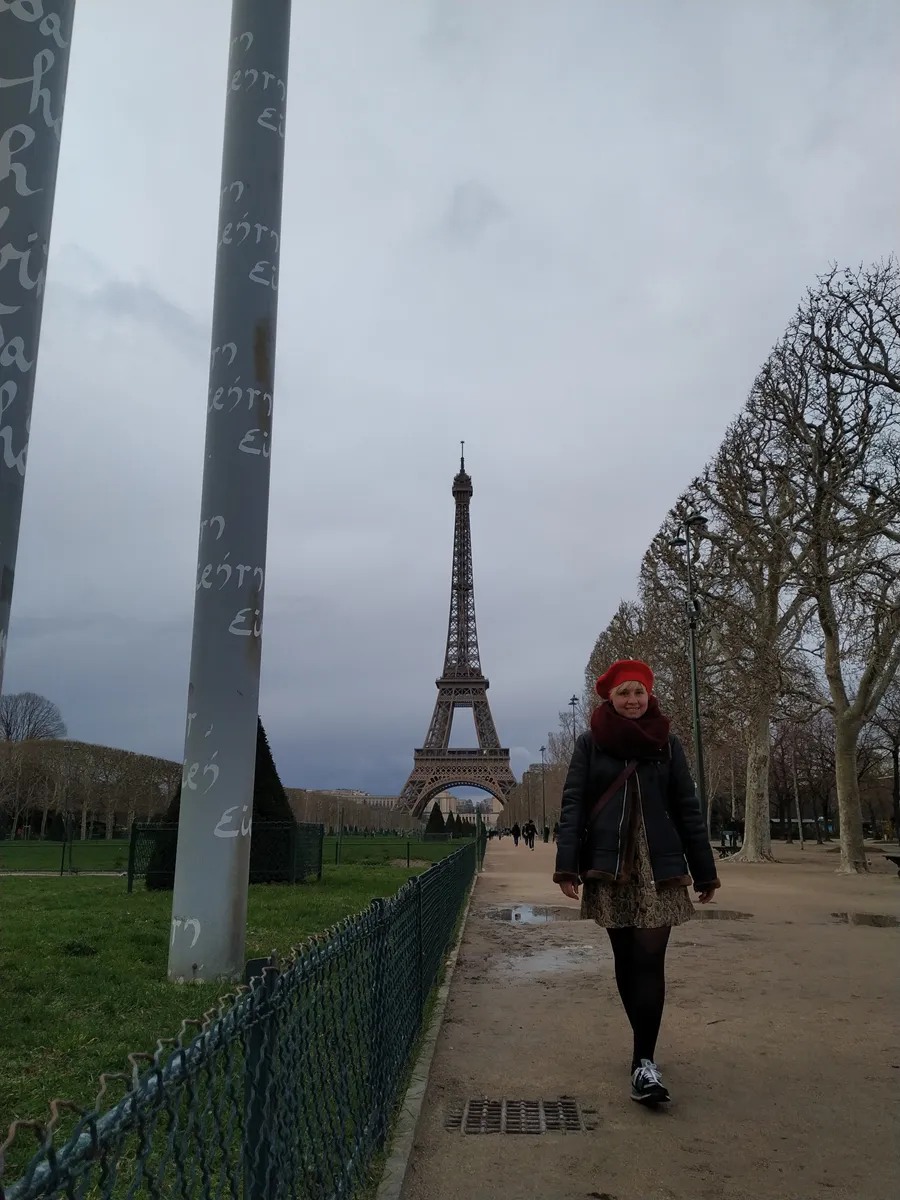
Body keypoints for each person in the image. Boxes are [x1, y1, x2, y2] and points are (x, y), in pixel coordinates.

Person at [553, 659, 720, 1106]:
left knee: (650, 960)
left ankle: (645, 1060)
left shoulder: (668, 743)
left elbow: (688, 808)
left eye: (638, 693)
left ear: (650, 695)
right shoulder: (590, 744)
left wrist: (705, 870)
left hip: (658, 868)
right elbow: (573, 806)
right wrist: (566, 866)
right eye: (623, 693)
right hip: (609, 866)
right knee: (626, 959)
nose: (632, 701)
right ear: (610, 697)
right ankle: (640, 1053)